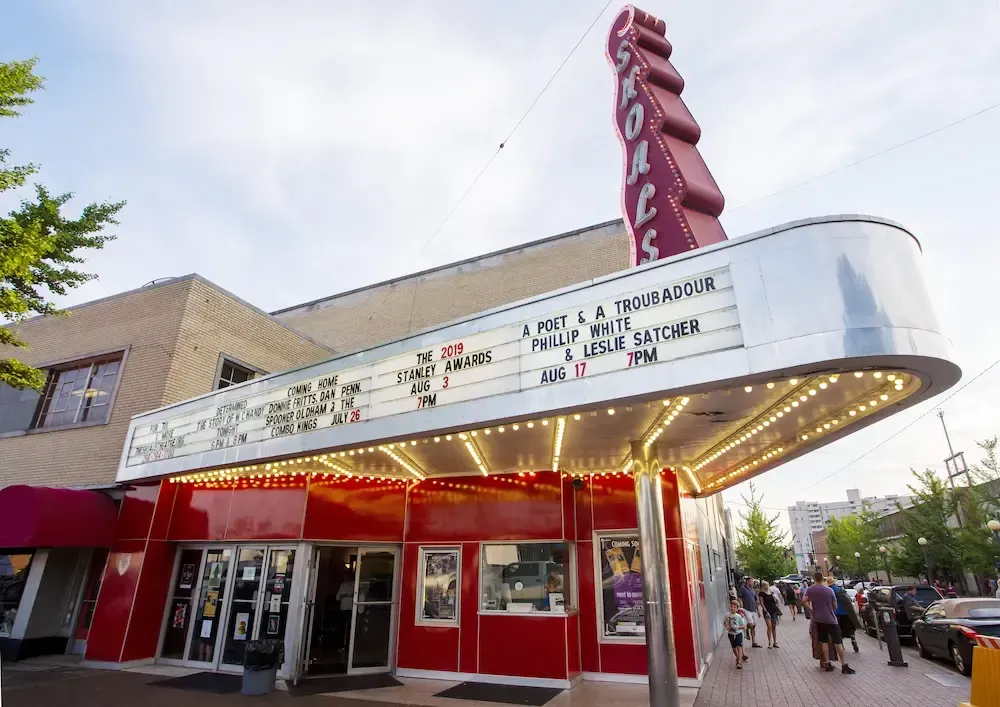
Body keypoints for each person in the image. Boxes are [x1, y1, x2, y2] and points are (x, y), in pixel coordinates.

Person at [803, 571, 856, 674]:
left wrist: (811, 609)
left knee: (824, 641)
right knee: (837, 642)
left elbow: (804, 600)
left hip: (819, 619)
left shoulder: (810, 589)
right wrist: (832, 610)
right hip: (831, 619)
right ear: (823, 578)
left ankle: (827, 663)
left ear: (814, 579)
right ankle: (844, 665)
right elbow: (835, 605)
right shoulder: (829, 590)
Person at [831, 580, 861, 653]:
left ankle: (841, 645)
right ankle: (853, 638)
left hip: (836, 614)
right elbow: (849, 601)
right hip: (846, 613)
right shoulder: (841, 590)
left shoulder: (829, 591)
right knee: (850, 628)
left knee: (839, 630)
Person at [737, 577, 762, 648]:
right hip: (746, 609)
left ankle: (753, 642)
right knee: (751, 624)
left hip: (753, 609)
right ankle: (747, 629)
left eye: (753, 581)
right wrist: (741, 606)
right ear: (747, 581)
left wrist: (758, 610)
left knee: (754, 626)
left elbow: (756, 600)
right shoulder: (742, 588)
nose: (753, 583)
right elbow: (739, 597)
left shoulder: (753, 590)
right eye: (751, 581)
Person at [724, 600, 748, 669]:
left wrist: (739, 628)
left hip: (738, 634)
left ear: (737, 609)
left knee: (739, 647)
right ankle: (738, 657)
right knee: (734, 648)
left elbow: (743, 626)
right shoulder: (727, 615)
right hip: (731, 634)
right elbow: (724, 623)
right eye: (731, 606)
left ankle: (739, 662)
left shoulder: (739, 616)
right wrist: (726, 626)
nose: (732, 608)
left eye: (734, 607)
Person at [758, 581, 782, 648]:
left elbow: (775, 601)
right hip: (767, 611)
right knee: (769, 626)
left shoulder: (771, 592)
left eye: (767, 585)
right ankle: (769, 643)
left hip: (773, 610)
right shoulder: (761, 593)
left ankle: (775, 642)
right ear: (763, 586)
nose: (767, 586)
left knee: (774, 627)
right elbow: (762, 603)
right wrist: (766, 611)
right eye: (765, 585)